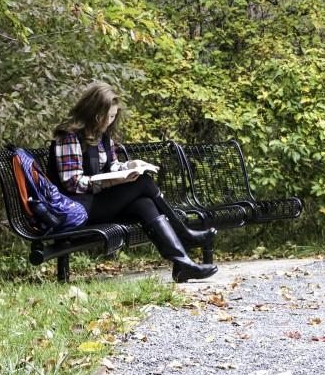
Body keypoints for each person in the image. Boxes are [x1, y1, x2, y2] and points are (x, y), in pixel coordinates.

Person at [51, 82, 218, 283]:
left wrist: (129, 166)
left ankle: (182, 264)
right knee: (144, 183)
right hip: (78, 208)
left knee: (144, 203)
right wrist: (110, 183)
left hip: (97, 201)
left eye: (113, 116)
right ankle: (183, 234)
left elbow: (110, 165)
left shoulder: (101, 134)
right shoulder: (69, 136)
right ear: (93, 112)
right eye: (107, 116)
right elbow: (72, 183)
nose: (110, 121)